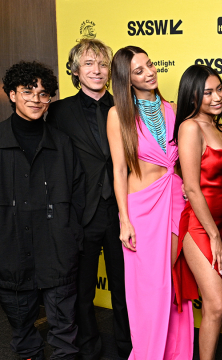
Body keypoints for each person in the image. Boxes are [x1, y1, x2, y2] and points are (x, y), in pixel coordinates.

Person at [46, 38, 132, 360]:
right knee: (82, 292)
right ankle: (88, 350)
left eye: (102, 64)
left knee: (125, 290)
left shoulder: (125, 107)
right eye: (88, 64)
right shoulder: (57, 112)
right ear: (75, 71)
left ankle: (128, 347)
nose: (97, 70)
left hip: (122, 211)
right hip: (80, 214)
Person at [106, 46, 193, 360]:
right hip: (141, 208)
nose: (149, 72)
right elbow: (118, 169)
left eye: (150, 65)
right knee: (148, 289)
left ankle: (174, 353)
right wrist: (124, 219)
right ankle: (147, 354)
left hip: (175, 199)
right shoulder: (118, 114)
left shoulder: (171, 108)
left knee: (171, 283)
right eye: (138, 71)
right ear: (126, 80)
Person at [0, 61, 84, 360]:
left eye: (44, 93)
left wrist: (71, 234)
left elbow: (78, 194)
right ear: (11, 94)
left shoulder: (62, 143)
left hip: (58, 249)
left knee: (64, 330)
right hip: (11, 252)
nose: (37, 99)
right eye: (28, 91)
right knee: (22, 333)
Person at [171, 65, 222, 359]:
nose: (217, 96)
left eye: (219, 89)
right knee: (216, 304)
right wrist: (214, 236)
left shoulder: (219, 127)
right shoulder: (190, 127)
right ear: (193, 96)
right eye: (207, 92)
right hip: (200, 225)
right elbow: (193, 187)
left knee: (216, 306)